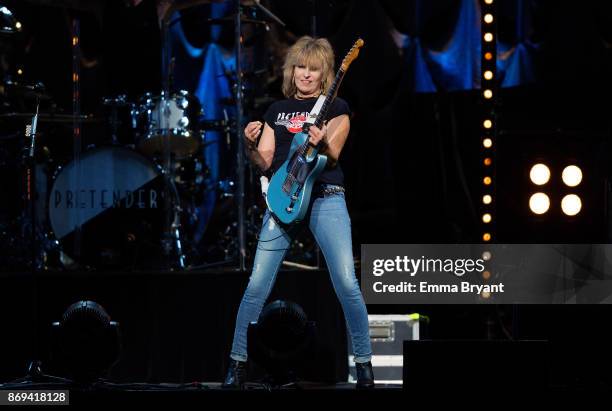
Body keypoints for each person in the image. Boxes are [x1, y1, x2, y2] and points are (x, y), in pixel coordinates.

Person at [223, 36, 373, 389]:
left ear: (325, 74)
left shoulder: (338, 109)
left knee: (346, 282)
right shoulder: (277, 110)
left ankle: (364, 365)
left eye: (314, 69)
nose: (306, 74)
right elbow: (263, 161)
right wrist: (247, 144)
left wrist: (320, 141)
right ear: (292, 71)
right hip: (283, 198)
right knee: (257, 285)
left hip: (325, 196)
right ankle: (237, 364)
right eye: (301, 67)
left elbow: (333, 155)